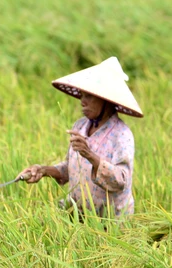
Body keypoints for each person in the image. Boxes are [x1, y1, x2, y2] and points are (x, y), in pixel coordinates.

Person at [17, 57, 141, 219]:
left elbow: (120, 181)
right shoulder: (80, 126)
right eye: (82, 95)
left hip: (110, 221)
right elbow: (71, 169)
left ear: (106, 100)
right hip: (79, 214)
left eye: (89, 96)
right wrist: (43, 170)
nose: (82, 101)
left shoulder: (121, 134)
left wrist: (89, 155)